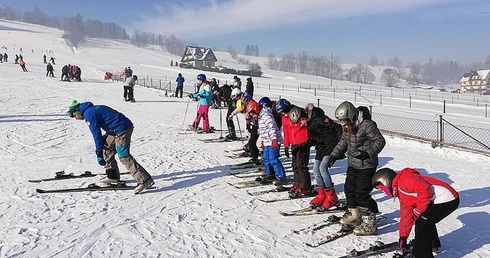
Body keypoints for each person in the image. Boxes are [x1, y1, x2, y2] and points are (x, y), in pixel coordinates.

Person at [67, 100, 154, 193]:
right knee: (107, 149)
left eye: (74, 116)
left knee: (124, 156)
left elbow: (96, 134)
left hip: (122, 129)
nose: (75, 118)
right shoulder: (91, 110)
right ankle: (113, 176)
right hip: (114, 130)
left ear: (77, 112)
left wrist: (99, 152)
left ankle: (144, 179)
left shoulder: (89, 114)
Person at [372, 168, 459, 258]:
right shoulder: (401, 193)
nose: (383, 192)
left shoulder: (405, 180)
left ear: (386, 181)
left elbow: (425, 190)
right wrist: (403, 237)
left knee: (422, 222)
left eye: (381, 189)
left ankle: (421, 255)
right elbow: (406, 216)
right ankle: (433, 245)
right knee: (426, 219)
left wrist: (420, 209)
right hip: (438, 200)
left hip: (448, 198)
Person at [328, 101, 386, 235]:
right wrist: (334, 155)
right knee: (349, 189)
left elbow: (380, 141)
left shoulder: (367, 125)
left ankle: (369, 221)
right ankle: (355, 214)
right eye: (341, 121)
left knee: (361, 193)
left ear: (352, 116)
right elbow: (343, 141)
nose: (342, 123)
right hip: (353, 163)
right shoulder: (347, 126)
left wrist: (368, 153)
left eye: (344, 120)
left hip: (366, 165)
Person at [306, 103, 343, 211]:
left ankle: (332, 196)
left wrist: (340, 144)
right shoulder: (309, 123)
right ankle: (322, 195)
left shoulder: (320, 118)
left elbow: (337, 127)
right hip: (321, 148)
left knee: (323, 168)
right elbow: (316, 137)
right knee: (315, 170)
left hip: (330, 146)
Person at [276, 99, 312, 198]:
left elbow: (308, 123)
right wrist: (286, 145)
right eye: (281, 113)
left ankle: (305, 187)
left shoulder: (298, 112)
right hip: (293, 144)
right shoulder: (284, 118)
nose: (283, 114)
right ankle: (297, 184)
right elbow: (286, 131)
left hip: (302, 143)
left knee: (301, 166)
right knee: (295, 165)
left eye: (284, 111)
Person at [248, 98, 287, 186]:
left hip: (273, 141)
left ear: (256, 110)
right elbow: (263, 130)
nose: (253, 116)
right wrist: (263, 140)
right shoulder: (260, 116)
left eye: (252, 114)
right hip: (267, 141)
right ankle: (270, 174)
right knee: (265, 158)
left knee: (273, 159)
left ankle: (281, 177)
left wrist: (274, 140)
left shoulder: (266, 115)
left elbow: (272, 127)